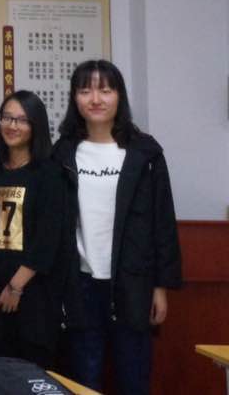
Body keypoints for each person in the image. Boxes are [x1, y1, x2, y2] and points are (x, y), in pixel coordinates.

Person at [52, 60, 181, 395]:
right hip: (80, 284)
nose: (95, 99)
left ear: (119, 96)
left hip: (133, 283)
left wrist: (160, 287)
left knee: (133, 377)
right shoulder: (63, 152)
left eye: (105, 90)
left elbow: (162, 222)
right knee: (82, 378)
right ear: (75, 98)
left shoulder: (145, 152)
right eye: (85, 90)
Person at [0, 90, 70, 368]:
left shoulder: (49, 173)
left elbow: (48, 238)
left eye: (21, 120)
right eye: (6, 118)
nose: (12, 125)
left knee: (33, 373)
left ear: (36, 125)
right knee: (2, 372)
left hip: (34, 294)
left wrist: (16, 287)